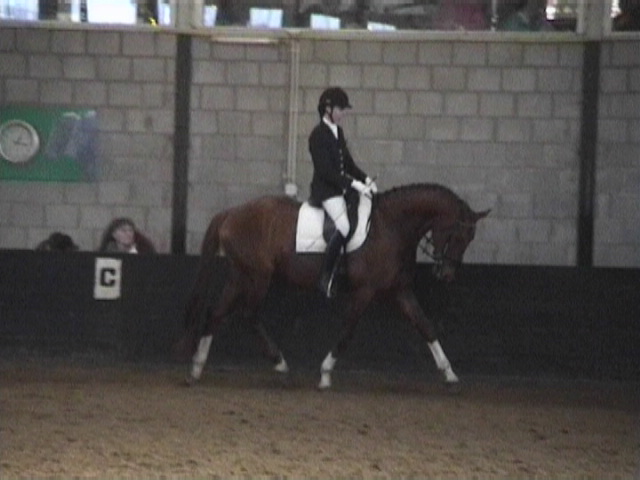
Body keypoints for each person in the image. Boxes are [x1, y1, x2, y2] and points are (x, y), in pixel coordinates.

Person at [308, 87, 377, 298]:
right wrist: (353, 184)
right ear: (328, 109)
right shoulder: (318, 135)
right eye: (340, 109)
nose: (343, 114)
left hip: (339, 188)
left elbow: (348, 164)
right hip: (325, 191)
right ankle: (325, 277)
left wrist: (365, 179)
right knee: (344, 227)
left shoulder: (338, 131)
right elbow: (326, 171)